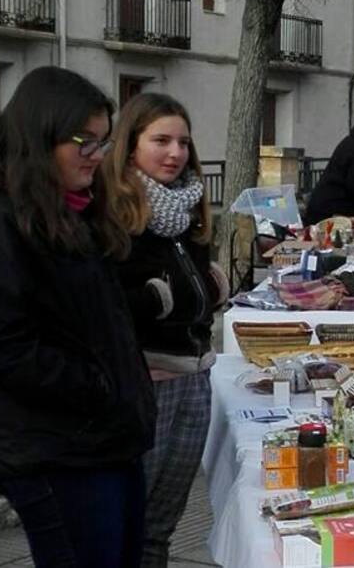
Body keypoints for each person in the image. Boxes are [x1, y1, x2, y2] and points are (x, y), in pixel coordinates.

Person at [0, 66, 155, 567]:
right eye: (83, 141)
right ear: (42, 134)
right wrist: (95, 386)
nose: (96, 157)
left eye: (103, 143)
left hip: (100, 441)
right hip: (53, 449)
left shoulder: (70, 209)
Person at [102, 93, 229, 567]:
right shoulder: (113, 213)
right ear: (130, 145)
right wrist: (161, 298)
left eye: (183, 142)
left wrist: (209, 286)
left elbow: (189, 288)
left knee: (160, 530)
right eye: (160, 140)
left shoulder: (187, 209)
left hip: (195, 379)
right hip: (148, 388)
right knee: (128, 529)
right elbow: (105, 306)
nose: (175, 152)